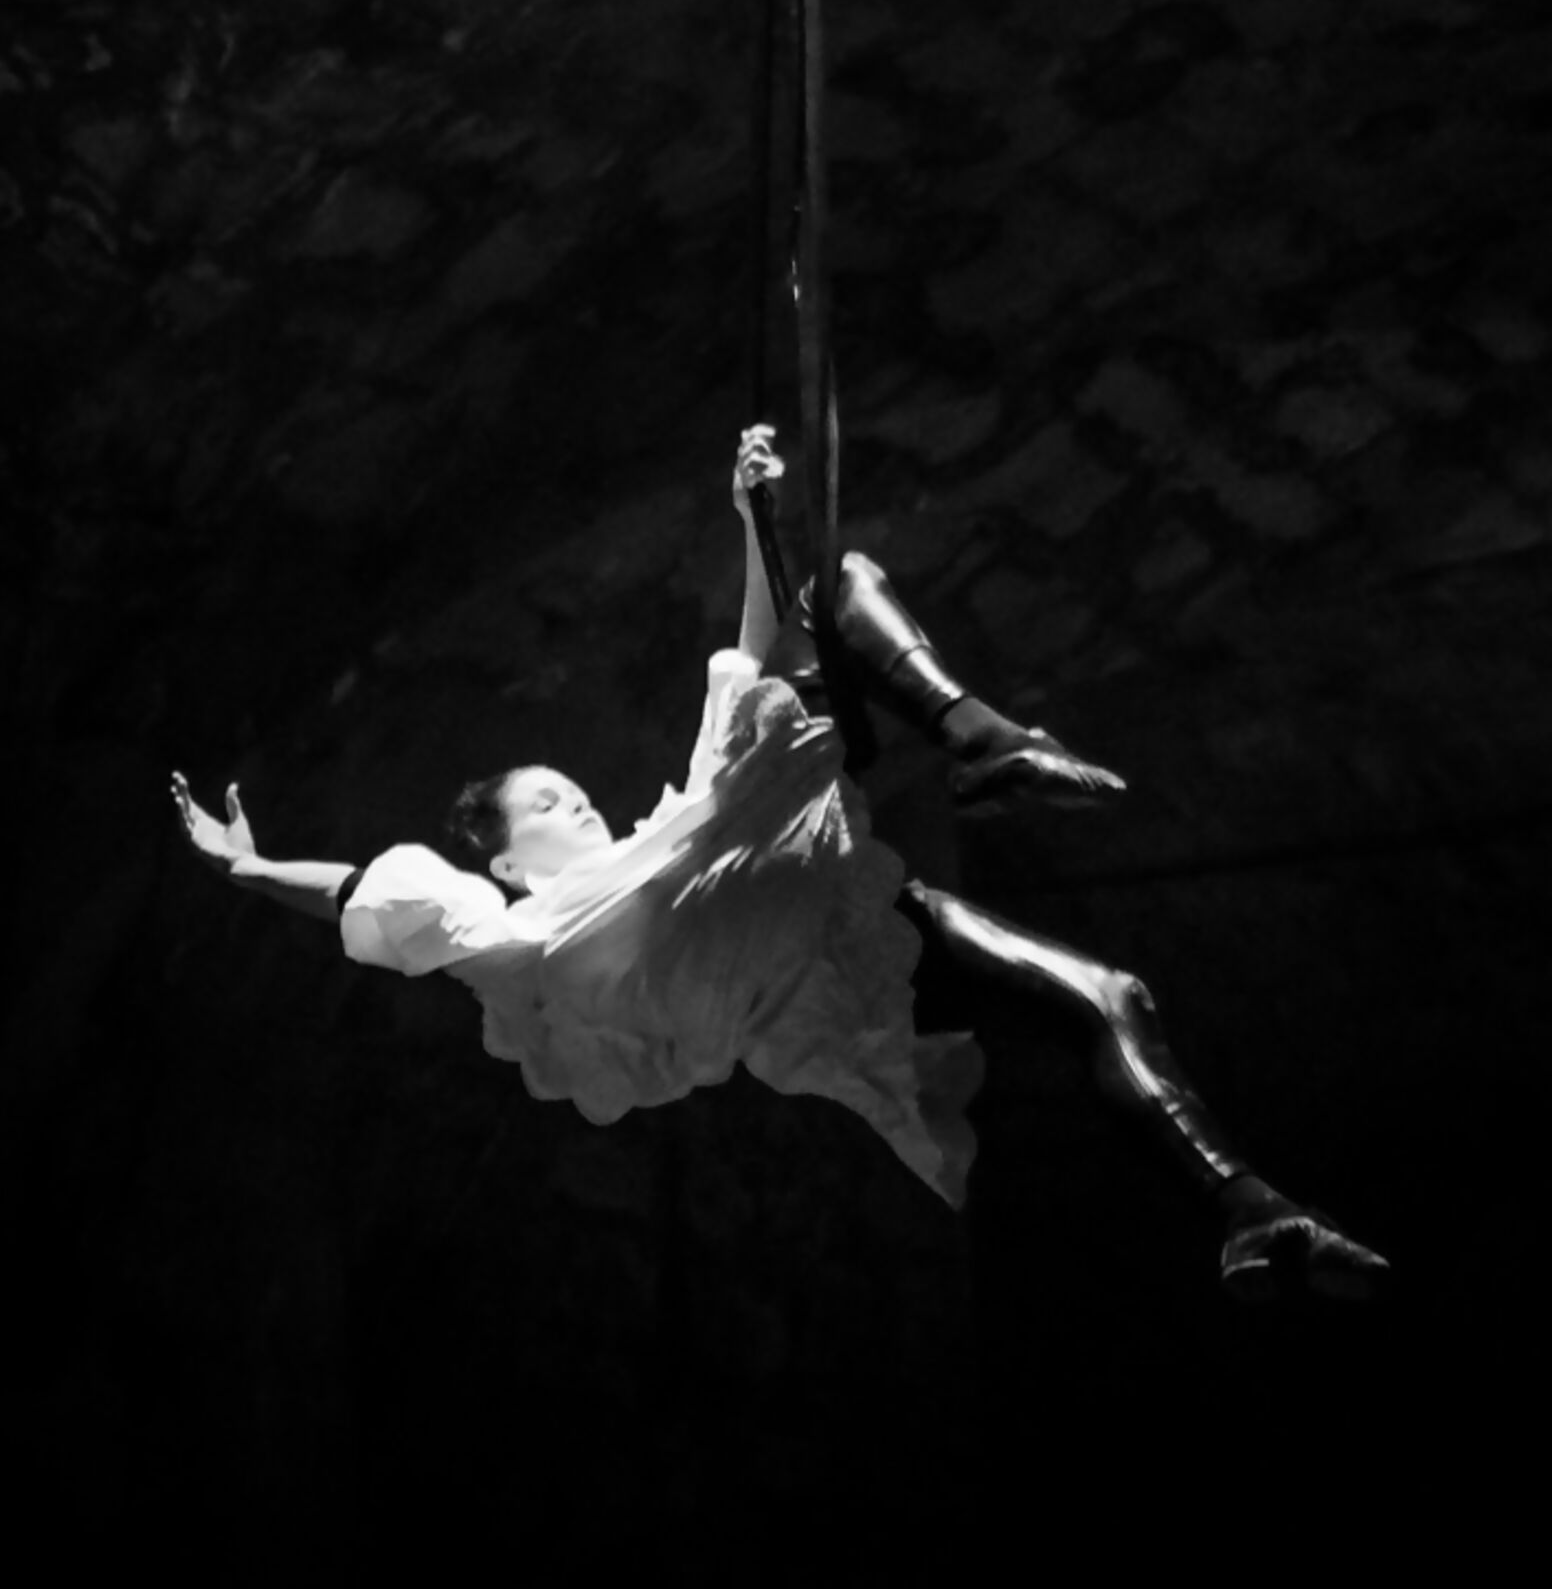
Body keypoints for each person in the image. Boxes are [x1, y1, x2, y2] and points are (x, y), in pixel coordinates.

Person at [173, 427, 1388, 1302]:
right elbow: (366, 895)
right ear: (500, 849)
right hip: (799, 978)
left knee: (1107, 992)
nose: (573, 796)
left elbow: (756, 650)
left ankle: (1246, 1206)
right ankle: (988, 748)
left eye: (569, 783)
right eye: (544, 799)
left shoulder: (676, 822)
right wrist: (249, 869)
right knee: (827, 608)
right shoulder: (523, 933)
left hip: (847, 914)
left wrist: (750, 516)